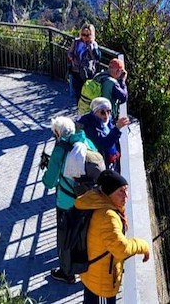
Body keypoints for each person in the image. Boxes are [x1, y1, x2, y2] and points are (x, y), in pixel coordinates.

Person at [74, 170, 150, 303]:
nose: (126, 195)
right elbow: (121, 249)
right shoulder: (108, 216)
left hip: (92, 273)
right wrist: (143, 245)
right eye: (120, 191)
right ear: (109, 193)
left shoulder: (96, 201)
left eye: (126, 190)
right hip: (101, 282)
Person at [42, 116, 97, 284]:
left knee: (65, 238)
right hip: (87, 200)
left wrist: (49, 166)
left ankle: (67, 273)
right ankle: (86, 267)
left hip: (66, 202)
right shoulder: (86, 142)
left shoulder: (60, 150)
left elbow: (49, 182)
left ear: (58, 133)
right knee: (83, 235)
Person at [76, 97, 129, 172]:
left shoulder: (108, 123)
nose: (106, 115)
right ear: (95, 112)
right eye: (102, 112)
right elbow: (103, 145)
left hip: (111, 162)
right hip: (99, 166)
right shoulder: (91, 126)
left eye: (109, 111)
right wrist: (117, 129)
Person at [67, 24, 101, 103]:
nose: (85, 37)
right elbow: (70, 52)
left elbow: (97, 57)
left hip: (87, 73)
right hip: (76, 71)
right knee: (78, 94)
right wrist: (71, 58)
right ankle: (80, 109)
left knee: (87, 94)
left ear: (91, 34)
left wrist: (91, 47)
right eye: (83, 34)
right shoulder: (76, 42)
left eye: (87, 35)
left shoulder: (93, 44)